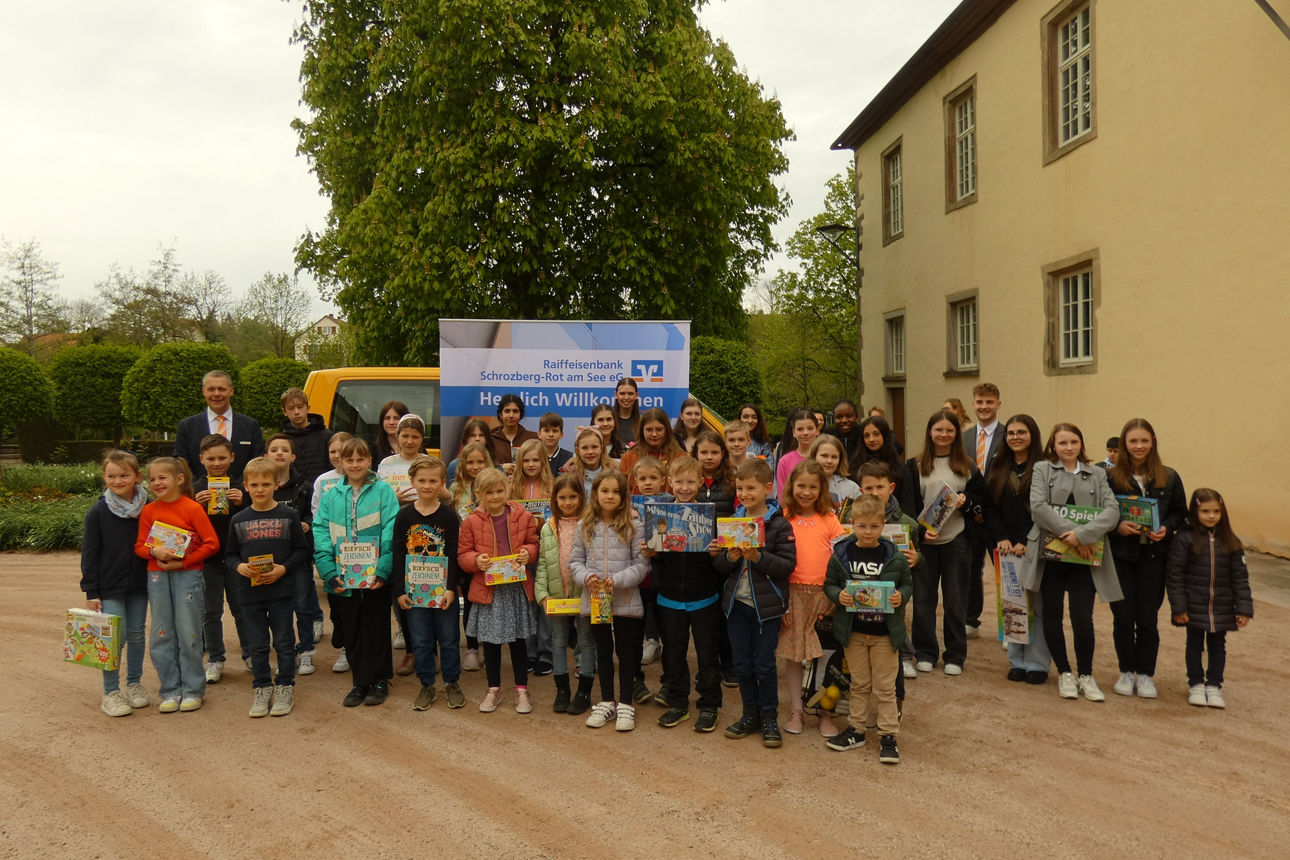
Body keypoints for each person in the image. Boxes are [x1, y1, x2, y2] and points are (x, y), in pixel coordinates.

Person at [1021, 423, 1122, 702]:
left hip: (1085, 558)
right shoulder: (1042, 470)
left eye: (1073, 442)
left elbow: (1112, 511)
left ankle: (1086, 675)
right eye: (1062, 442)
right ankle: (1064, 672)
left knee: (1082, 618)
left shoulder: (1098, 474)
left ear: (1081, 444)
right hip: (1051, 557)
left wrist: (1083, 535)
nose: (1068, 447)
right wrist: (1072, 535)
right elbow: (1038, 507)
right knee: (1052, 615)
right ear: (1053, 445)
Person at [713, 458, 796, 748]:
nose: (745, 493)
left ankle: (769, 716)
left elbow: (787, 565)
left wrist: (757, 557)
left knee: (764, 665)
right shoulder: (733, 521)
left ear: (767, 488)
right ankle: (750, 714)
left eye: (751, 487)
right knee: (742, 664)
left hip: (767, 608)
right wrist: (728, 557)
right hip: (737, 604)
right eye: (740, 488)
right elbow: (720, 568)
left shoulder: (779, 524)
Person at [823, 495, 912, 764]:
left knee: (885, 688)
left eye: (874, 526)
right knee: (859, 684)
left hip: (885, 634)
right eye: (862, 526)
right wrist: (839, 595)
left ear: (883, 525)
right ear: (852, 524)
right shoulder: (841, 555)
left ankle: (888, 736)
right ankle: (856, 730)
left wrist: (900, 596)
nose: (868, 532)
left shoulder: (894, 556)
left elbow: (907, 585)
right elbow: (829, 584)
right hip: (854, 632)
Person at [313, 437, 400, 708]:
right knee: (351, 629)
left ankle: (379, 680)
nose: (354, 464)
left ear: (369, 461)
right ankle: (359, 681)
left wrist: (383, 569)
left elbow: (391, 530)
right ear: (341, 462)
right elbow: (321, 531)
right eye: (349, 459)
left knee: (376, 626)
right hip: (342, 575)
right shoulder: (330, 495)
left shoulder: (384, 492)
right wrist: (328, 570)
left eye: (360, 459)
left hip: (374, 575)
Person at [1106, 418, 1188, 699]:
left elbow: (1180, 512)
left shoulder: (1170, 476)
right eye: (1133, 441)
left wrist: (1167, 529)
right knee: (1123, 617)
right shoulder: (1109, 477)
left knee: (1148, 619)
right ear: (1124, 444)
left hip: (1154, 557)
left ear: (1153, 442)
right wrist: (1117, 527)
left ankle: (1146, 675)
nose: (1139, 446)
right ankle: (1126, 672)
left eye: (1144, 440)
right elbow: (1100, 513)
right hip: (1121, 556)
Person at [643, 458, 725, 733]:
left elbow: (720, 560)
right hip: (669, 597)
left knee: (706, 653)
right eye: (680, 482)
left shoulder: (709, 515)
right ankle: (678, 702)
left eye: (691, 482)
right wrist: (653, 554)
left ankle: (710, 704)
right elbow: (657, 560)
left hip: (704, 597)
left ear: (700, 482)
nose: (685, 487)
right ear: (670, 483)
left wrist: (717, 553)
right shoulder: (660, 516)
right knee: (673, 653)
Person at [225, 457, 311, 718]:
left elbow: (301, 551)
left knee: (285, 643)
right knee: (257, 645)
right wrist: (239, 567)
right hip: (249, 595)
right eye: (254, 484)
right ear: (246, 487)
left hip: (281, 592)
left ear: (276, 484)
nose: (260, 489)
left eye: (265, 483)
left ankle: (285, 686)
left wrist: (283, 569)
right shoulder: (238, 519)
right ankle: (262, 687)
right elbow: (229, 555)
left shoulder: (289, 515)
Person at [905, 409, 987, 676]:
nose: (943, 434)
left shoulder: (969, 466)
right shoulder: (914, 465)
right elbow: (908, 507)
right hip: (925, 543)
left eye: (949, 430)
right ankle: (925, 652)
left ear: (956, 434)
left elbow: (981, 503)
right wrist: (919, 534)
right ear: (930, 432)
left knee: (955, 601)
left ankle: (955, 654)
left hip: (957, 542)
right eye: (938, 429)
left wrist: (967, 503)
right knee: (923, 601)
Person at [134, 456, 219, 712]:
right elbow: (140, 546)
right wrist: (154, 553)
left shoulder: (192, 508)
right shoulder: (149, 511)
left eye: (163, 477)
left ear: (179, 479)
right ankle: (170, 690)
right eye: (152, 479)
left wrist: (184, 563)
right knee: (161, 633)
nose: (157, 483)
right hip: (157, 576)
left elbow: (212, 543)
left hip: (187, 576)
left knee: (189, 633)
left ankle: (192, 689)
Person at [570, 470, 649, 731]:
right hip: (596, 600)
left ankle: (626, 704)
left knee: (626, 653)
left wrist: (619, 579)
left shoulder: (635, 525)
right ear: (595, 494)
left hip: (625, 600)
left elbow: (642, 564)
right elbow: (575, 563)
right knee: (602, 651)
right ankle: (607, 702)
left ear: (624, 496)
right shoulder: (584, 525)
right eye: (605, 491)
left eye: (616, 492)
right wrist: (587, 577)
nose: (610, 496)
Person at [458, 467, 541, 714]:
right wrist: (476, 561)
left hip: (515, 588)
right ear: (478, 494)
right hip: (488, 590)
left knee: (517, 641)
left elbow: (533, 544)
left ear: (507, 489)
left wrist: (529, 553)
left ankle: (521, 689)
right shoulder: (471, 521)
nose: (495, 496)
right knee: (491, 643)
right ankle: (493, 688)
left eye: (500, 491)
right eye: (489, 492)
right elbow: (462, 554)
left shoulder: (522, 515)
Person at [390, 456, 466, 711]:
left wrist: (450, 588)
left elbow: (454, 553)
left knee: (449, 638)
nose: (427, 485)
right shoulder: (403, 517)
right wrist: (399, 590)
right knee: (421, 640)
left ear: (442, 482)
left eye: (433, 481)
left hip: (443, 591)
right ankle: (426, 685)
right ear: (411, 481)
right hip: (414, 593)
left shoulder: (448, 517)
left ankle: (452, 682)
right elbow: (398, 554)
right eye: (421, 480)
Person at [1166, 489, 1253, 709]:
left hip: (1222, 606)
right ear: (1195, 512)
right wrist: (1179, 607)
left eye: (1216, 511)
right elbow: (1174, 576)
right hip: (1193, 605)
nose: (1211, 516)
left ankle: (1214, 685)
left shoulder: (1231, 542)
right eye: (1205, 511)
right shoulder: (1184, 539)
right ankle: (1195, 684)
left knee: (1218, 646)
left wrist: (1243, 608)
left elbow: (1241, 578)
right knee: (1194, 645)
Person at [777, 459, 845, 737]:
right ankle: (797, 709)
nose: (806, 492)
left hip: (824, 595)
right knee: (794, 656)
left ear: (822, 489)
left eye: (812, 487)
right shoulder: (783, 517)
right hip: (792, 594)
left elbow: (841, 558)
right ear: (791, 486)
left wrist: (835, 596)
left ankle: (825, 711)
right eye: (801, 485)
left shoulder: (830, 519)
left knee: (826, 657)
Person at [80, 451, 150, 717]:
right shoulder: (98, 512)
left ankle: (134, 684)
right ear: (104, 477)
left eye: (124, 475)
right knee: (112, 639)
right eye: (112, 476)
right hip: (109, 586)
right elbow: (90, 554)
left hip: (139, 583)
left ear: (137, 476)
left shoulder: (149, 507)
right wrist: (91, 591)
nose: (118, 480)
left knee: (136, 634)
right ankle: (110, 691)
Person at [982, 414, 1051, 684]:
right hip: (1007, 548)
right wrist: (1001, 537)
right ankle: (1017, 661)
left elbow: (1043, 510)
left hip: (1035, 545)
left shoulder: (1044, 468)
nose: (1015, 437)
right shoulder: (998, 468)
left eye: (1021, 432)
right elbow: (990, 507)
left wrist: (1025, 538)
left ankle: (1037, 663)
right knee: (1011, 603)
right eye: (1010, 433)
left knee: (1037, 604)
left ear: (1032, 435)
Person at [857, 461, 922, 695]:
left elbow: (918, 555)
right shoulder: (851, 519)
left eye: (879, 487)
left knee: (893, 622)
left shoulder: (907, 524)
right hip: (863, 583)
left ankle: (903, 656)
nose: (874, 493)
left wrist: (917, 558)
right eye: (868, 488)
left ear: (891, 487)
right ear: (860, 489)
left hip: (893, 589)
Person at [536, 474, 597, 714]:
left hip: (584, 595)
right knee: (558, 641)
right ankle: (562, 690)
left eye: (573, 496)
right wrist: (542, 594)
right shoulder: (548, 527)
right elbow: (542, 562)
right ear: (555, 499)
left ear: (582, 497)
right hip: (556, 597)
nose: (568, 502)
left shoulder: (591, 523)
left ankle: (584, 691)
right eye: (562, 497)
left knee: (585, 642)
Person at [192, 434, 249, 683]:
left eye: (222, 458)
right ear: (201, 459)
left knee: (242, 609)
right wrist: (195, 505)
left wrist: (242, 502)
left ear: (232, 458)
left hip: (236, 558)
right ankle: (215, 658)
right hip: (208, 560)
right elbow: (186, 525)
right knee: (211, 612)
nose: (216, 463)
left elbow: (253, 517)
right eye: (211, 458)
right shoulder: (195, 489)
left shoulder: (242, 485)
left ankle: (251, 654)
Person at [266, 434, 320, 676]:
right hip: (271, 557)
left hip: (298, 557)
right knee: (279, 608)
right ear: (266, 455)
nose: (279, 453)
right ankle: (285, 651)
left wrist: (307, 523)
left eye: (284, 450)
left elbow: (312, 514)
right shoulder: (262, 485)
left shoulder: (304, 486)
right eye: (274, 449)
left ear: (293, 456)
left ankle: (306, 651)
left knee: (303, 604)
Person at [962, 383, 1003, 640]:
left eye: (989, 402)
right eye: (979, 402)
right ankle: (970, 620)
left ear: (998, 403)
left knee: (1005, 571)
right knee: (970, 569)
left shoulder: (1010, 435)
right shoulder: (964, 437)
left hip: (998, 514)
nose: (984, 406)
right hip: (970, 515)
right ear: (973, 403)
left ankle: (1010, 626)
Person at [173, 370, 265, 481]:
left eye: (221, 389)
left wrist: (240, 488)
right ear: (203, 391)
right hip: (198, 495)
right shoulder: (187, 426)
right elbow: (182, 463)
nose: (216, 394)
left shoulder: (250, 425)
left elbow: (257, 461)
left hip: (243, 494)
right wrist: (198, 488)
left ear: (231, 391)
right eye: (211, 389)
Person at [449, 441, 494, 671]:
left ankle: (489, 643)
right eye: (470, 462)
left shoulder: (495, 487)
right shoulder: (455, 489)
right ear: (462, 464)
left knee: (489, 601)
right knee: (469, 601)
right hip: (466, 555)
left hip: (491, 554)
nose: (476, 466)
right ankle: (472, 647)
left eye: (480, 462)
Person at [312, 431, 352, 673]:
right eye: (333, 452)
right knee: (337, 603)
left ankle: (353, 648)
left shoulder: (369, 479)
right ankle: (343, 646)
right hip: (333, 552)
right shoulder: (322, 481)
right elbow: (318, 515)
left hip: (360, 554)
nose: (337, 456)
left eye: (342, 451)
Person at [856, 416, 915, 512]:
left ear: (885, 435)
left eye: (876, 434)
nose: (871, 439)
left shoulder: (899, 467)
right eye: (866, 436)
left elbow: (908, 503)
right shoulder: (856, 465)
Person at [278, 387, 333, 486]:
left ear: (308, 408)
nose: (296, 412)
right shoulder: (282, 440)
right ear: (284, 412)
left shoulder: (326, 435)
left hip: (324, 490)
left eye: (300, 407)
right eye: (291, 408)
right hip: (294, 493)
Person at [619, 407, 683, 491]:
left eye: (659, 429)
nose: (654, 434)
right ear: (642, 431)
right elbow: (622, 491)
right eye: (649, 430)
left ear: (667, 430)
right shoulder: (628, 458)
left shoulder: (680, 457)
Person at [809, 435, 859, 518]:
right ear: (814, 456)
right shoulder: (805, 485)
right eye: (824, 456)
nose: (829, 461)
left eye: (834, 457)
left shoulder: (852, 488)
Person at [775, 410, 820, 498]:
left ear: (817, 430)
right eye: (800, 429)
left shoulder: (824, 458)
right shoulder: (785, 461)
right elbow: (782, 496)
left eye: (810, 428)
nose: (805, 433)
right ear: (794, 432)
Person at [488, 393, 539, 470]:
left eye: (515, 411)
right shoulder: (490, 439)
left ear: (520, 414)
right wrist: (500, 469)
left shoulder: (533, 438)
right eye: (507, 411)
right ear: (500, 414)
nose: (511, 415)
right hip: (497, 481)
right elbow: (483, 468)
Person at [445, 419, 492, 486]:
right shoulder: (454, 466)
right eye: (472, 435)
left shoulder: (495, 465)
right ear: (466, 438)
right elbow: (449, 494)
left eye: (481, 435)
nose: (477, 439)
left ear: (487, 439)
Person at [570, 428, 614, 497]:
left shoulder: (613, 471)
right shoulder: (571, 475)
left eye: (594, 447)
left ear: (601, 448)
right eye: (584, 448)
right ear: (577, 450)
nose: (590, 452)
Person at [824, 399, 864, 467]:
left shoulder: (863, 434)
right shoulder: (827, 436)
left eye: (849, 416)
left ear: (857, 417)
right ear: (834, 419)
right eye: (839, 417)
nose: (844, 420)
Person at [612, 377, 641, 447]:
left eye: (630, 394)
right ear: (616, 395)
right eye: (622, 393)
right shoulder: (608, 421)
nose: (626, 397)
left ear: (637, 395)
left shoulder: (643, 422)